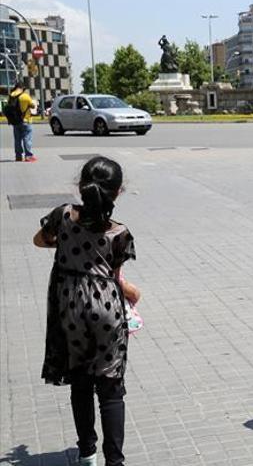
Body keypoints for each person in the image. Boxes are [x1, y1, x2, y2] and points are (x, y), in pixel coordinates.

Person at [34, 156, 138, 466]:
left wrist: (66, 244)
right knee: (110, 387)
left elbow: (39, 240)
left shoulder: (63, 216)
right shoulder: (119, 232)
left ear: (80, 187)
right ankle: (115, 462)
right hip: (106, 309)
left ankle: (87, 453)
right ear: (117, 193)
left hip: (70, 306)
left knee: (80, 381)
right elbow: (115, 277)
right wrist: (134, 292)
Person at [7, 82, 38, 162]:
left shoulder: (11, 96)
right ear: (22, 88)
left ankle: (18, 156)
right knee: (27, 138)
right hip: (26, 120)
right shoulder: (25, 96)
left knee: (17, 139)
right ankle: (28, 156)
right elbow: (33, 105)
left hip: (15, 121)